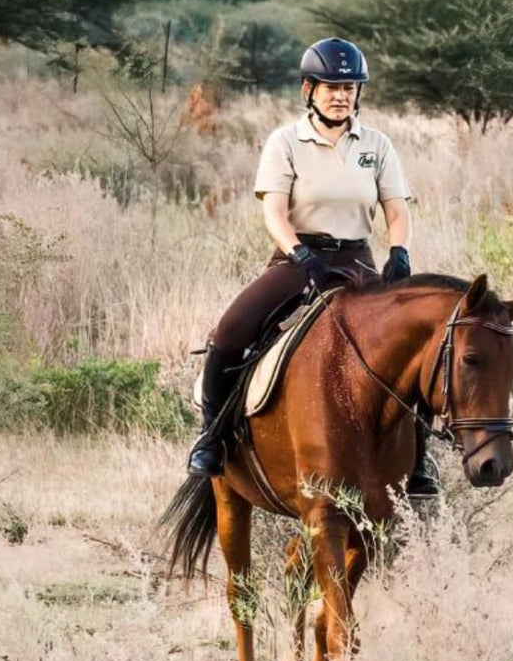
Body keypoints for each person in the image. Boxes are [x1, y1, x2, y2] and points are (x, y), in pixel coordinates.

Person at [186, 37, 438, 497]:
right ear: (309, 89)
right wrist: (300, 253)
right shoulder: (285, 142)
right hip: (298, 260)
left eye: (350, 87)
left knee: (414, 345)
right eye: (330, 87)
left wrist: (398, 251)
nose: (341, 95)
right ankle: (213, 439)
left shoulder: (377, 145)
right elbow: (274, 212)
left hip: (358, 261)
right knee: (229, 333)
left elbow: (396, 209)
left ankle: (420, 461)